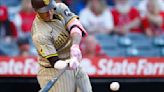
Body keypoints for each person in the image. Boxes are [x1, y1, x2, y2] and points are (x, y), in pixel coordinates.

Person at [30, 0, 92, 92]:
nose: (50, 13)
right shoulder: (40, 33)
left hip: (73, 63)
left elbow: (75, 26)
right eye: (45, 12)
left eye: (51, 8)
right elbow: (55, 62)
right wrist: (68, 63)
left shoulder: (59, 8)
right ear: (36, 11)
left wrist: (75, 46)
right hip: (52, 71)